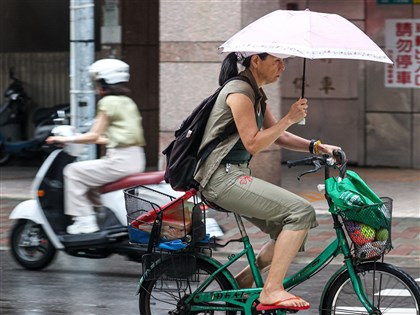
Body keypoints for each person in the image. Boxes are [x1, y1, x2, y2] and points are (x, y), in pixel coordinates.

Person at [194, 52, 341, 311]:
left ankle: (241, 282)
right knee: (301, 211)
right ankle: (272, 289)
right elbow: (253, 142)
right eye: (277, 61)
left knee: (290, 228)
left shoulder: (256, 92)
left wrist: (317, 147)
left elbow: (279, 137)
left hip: (234, 174)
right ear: (256, 61)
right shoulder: (239, 91)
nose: (282, 67)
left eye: (285, 62)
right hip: (220, 178)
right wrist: (290, 118)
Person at [46, 59, 146, 234]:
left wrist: (66, 139)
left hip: (120, 161)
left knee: (73, 172)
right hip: (135, 158)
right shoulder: (128, 102)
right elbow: (111, 138)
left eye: (97, 81)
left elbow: (94, 135)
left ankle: (84, 220)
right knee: (91, 181)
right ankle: (103, 216)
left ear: (104, 81)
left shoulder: (107, 103)